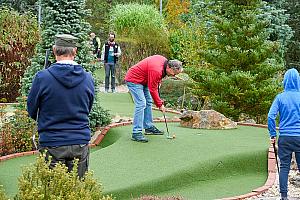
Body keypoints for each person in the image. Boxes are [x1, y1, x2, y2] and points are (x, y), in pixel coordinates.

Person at [27, 34, 95, 178]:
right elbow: (87, 108)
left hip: (52, 142)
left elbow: (32, 110)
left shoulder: (42, 77)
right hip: (79, 142)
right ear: (75, 51)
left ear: (54, 50)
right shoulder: (87, 78)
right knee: (78, 191)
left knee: (53, 191)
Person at [125, 55, 183, 142]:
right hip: (134, 80)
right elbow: (153, 89)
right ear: (169, 68)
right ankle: (136, 132)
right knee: (141, 103)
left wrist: (159, 101)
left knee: (148, 101)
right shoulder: (157, 70)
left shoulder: (164, 63)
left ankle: (148, 127)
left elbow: (155, 83)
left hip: (144, 80)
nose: (174, 75)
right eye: (174, 73)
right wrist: (160, 105)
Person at [267, 68, 300, 200]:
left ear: (285, 81)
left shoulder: (280, 97)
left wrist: (273, 134)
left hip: (285, 138)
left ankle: (284, 196)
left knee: (284, 167)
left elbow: (271, 116)